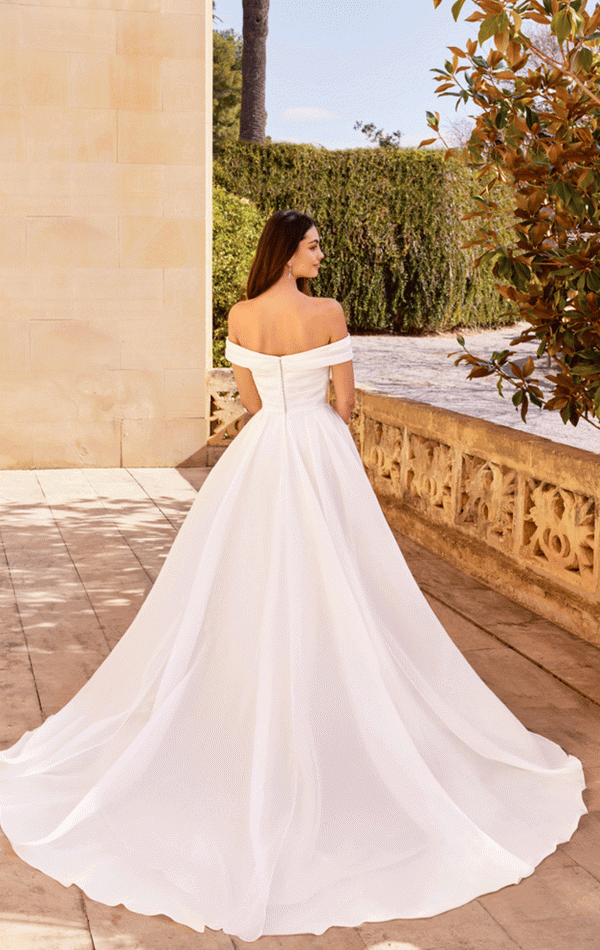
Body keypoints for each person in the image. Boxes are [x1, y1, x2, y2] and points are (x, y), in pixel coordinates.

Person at [0, 210, 587, 943]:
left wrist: (284, 405)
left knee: (241, 581)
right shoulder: (329, 311)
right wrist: (324, 411)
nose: (320, 253)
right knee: (343, 579)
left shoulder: (242, 312)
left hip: (264, 452)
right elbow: (344, 402)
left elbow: (249, 401)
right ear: (287, 252)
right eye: (312, 245)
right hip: (319, 450)